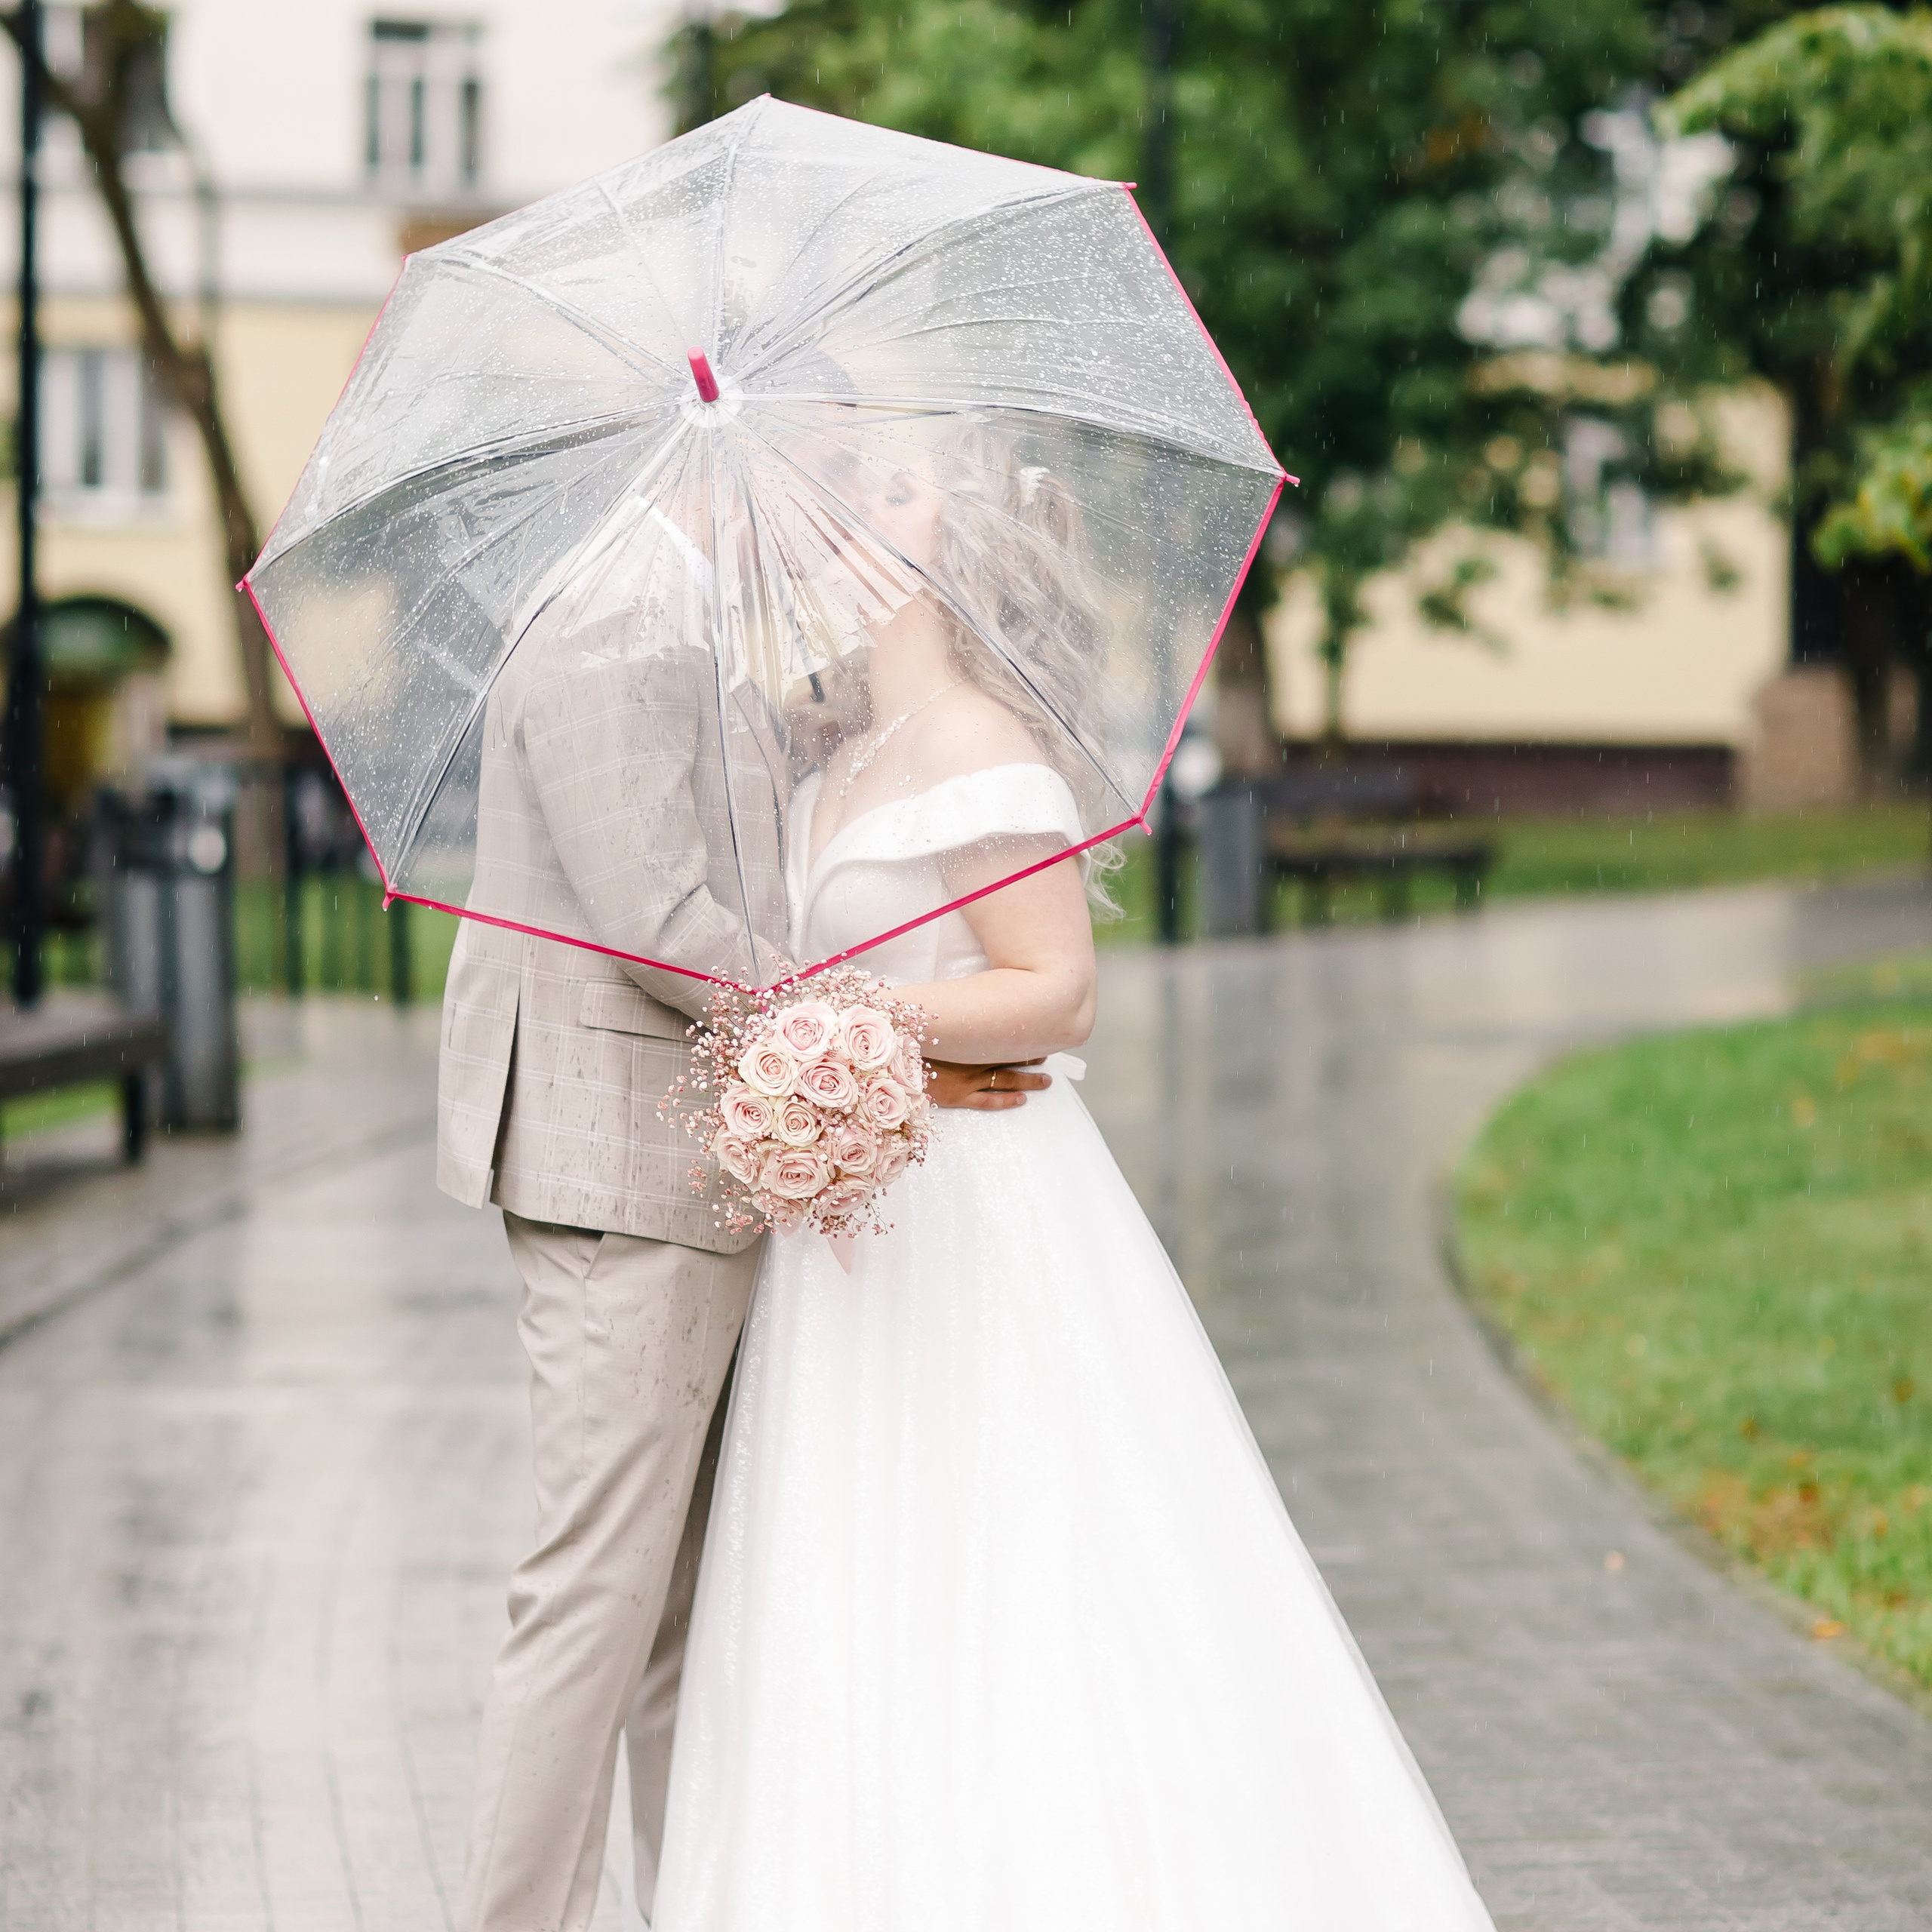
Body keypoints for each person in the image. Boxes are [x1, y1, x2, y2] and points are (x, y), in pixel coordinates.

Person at [650, 432, 1499, 1930]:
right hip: (852, 1222)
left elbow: (1056, 991)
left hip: (974, 1208)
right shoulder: (833, 749)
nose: (848, 505)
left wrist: (843, 1024)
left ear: (962, 548)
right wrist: (824, 1048)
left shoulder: (982, 746)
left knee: (1007, 1561)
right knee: (852, 1575)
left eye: (893, 488)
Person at [435, 469, 1048, 1932]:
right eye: (819, 458)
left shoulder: (691, 617)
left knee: (680, 1613)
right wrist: (874, 1048)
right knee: (596, 1597)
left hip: (698, 1166)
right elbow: (663, 927)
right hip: (620, 1170)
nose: (828, 497)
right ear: (731, 448)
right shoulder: (617, 617)